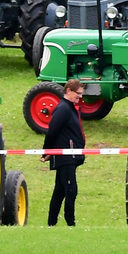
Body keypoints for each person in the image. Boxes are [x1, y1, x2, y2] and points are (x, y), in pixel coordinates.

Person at [42, 78, 86, 226]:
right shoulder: (63, 109)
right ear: (68, 91)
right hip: (66, 156)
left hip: (69, 156)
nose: (80, 97)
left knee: (59, 192)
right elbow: (52, 131)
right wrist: (46, 151)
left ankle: (51, 223)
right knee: (71, 190)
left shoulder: (69, 108)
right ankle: (70, 223)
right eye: (78, 94)